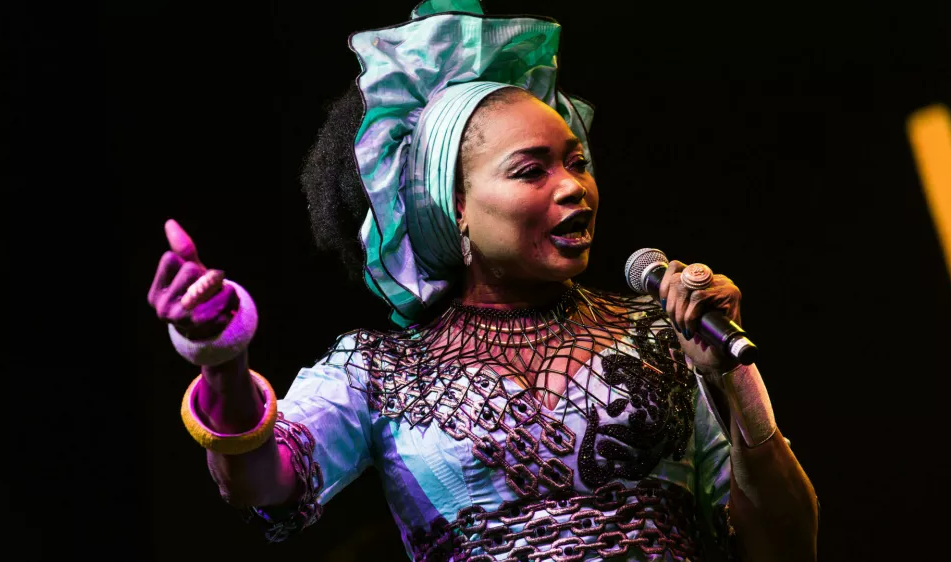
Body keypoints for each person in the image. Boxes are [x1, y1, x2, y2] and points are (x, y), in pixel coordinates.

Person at [146, 2, 819, 560]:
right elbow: (262, 482)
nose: (574, 188)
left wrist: (736, 383)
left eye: (577, 161)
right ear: (456, 206)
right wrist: (224, 363)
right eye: (532, 170)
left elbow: (784, 546)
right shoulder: (381, 372)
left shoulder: (661, 335)